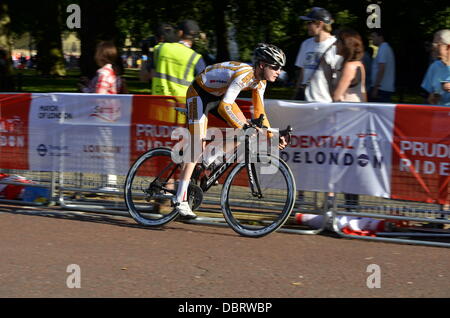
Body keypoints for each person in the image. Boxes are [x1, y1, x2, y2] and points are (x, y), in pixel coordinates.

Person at [173, 43, 288, 218]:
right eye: (275, 67)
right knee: (196, 145)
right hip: (199, 94)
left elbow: (259, 112)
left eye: (280, 68)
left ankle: (209, 158)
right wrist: (244, 126)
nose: (278, 71)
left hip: (218, 96)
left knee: (248, 132)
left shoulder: (260, 82)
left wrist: (272, 136)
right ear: (262, 65)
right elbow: (224, 107)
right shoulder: (244, 75)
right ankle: (179, 199)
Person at [292, 7, 342, 103]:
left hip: (325, 100)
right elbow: (302, 72)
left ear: (319, 24)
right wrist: (296, 94)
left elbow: (339, 74)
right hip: (305, 99)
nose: (307, 26)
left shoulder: (336, 45)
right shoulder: (306, 44)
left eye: (309, 23)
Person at [151, 20, 206, 98]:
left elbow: (146, 76)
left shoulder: (160, 48)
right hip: (182, 105)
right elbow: (204, 85)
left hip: (159, 102)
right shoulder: (195, 57)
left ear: (180, 33)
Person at [332, 28, 367, 102]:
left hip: (349, 110)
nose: (334, 44)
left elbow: (337, 96)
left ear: (346, 44)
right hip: (356, 109)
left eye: (337, 41)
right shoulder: (358, 64)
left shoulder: (350, 66)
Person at [421, 29, 450, 106]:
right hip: (439, 115)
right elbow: (431, 100)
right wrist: (437, 94)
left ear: (448, 47)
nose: (433, 47)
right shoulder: (434, 67)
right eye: (433, 44)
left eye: (437, 44)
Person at [369, 29, 396, 102]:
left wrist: (376, 87)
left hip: (381, 89)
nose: (371, 39)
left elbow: (382, 68)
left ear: (380, 37)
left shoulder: (383, 48)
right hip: (383, 89)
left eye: (373, 36)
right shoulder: (385, 48)